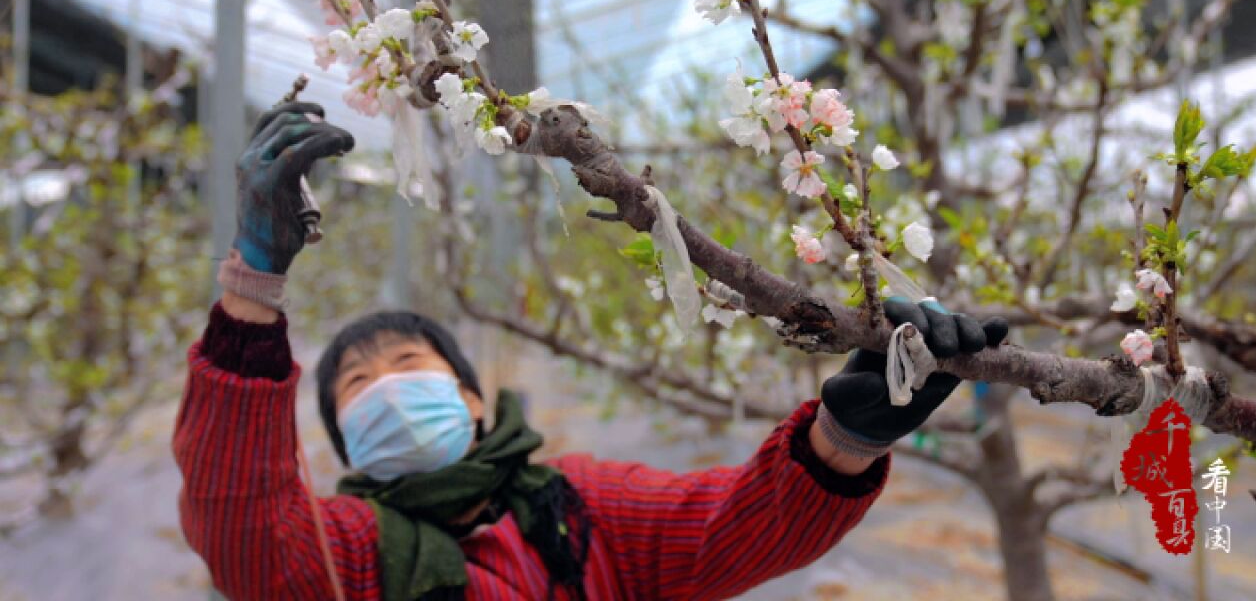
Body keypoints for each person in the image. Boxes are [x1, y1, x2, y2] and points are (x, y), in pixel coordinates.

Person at [173, 103, 1009, 600]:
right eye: (355, 385)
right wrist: (252, 292)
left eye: (406, 365)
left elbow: (728, 530)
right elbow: (245, 534)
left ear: (471, 399)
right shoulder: (347, 552)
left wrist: (844, 442)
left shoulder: (579, 508)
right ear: (345, 442)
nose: (384, 389)